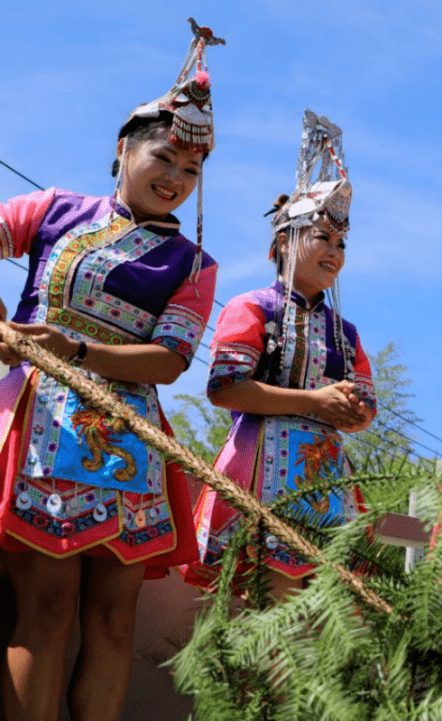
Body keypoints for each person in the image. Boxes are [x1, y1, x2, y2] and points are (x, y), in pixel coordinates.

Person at [0, 21, 221, 720]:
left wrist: (79, 351)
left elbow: (172, 359)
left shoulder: (194, 264)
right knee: (47, 605)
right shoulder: (55, 208)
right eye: (165, 157)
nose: (176, 178)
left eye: (191, 170)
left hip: (132, 441)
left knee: (113, 623)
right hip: (40, 421)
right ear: (123, 149)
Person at [182, 112, 376, 599]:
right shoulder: (252, 306)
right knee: (261, 605)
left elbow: (366, 407)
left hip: (327, 477)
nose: (334, 251)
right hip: (258, 467)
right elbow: (224, 387)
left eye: (341, 242)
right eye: (322, 238)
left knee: (324, 615)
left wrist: (353, 408)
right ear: (284, 242)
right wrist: (314, 403)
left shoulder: (345, 331)